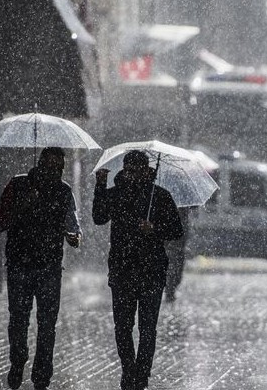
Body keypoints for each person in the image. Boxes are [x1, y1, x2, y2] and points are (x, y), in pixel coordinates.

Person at [93, 151, 184, 390]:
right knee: (123, 327)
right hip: (122, 269)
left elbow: (176, 230)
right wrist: (100, 186)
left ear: (147, 171)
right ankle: (128, 369)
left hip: (151, 271)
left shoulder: (160, 196)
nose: (132, 175)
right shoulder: (116, 194)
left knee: (147, 327)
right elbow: (99, 217)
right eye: (129, 170)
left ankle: (142, 374)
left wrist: (153, 228)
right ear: (125, 169)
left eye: (138, 170)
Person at [0, 147, 82, 390]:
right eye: (51, 166)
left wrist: (74, 237)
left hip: (50, 267)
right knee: (19, 320)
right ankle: (18, 361)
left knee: (47, 323)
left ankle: (42, 374)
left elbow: (72, 225)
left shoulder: (64, 192)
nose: (55, 172)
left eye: (59, 168)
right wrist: (22, 205)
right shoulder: (18, 185)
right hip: (20, 265)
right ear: (40, 163)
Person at [164, 207, 190, 302]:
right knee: (173, 266)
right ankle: (170, 288)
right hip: (172, 243)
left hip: (178, 244)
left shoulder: (184, 209)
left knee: (176, 267)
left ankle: (170, 287)